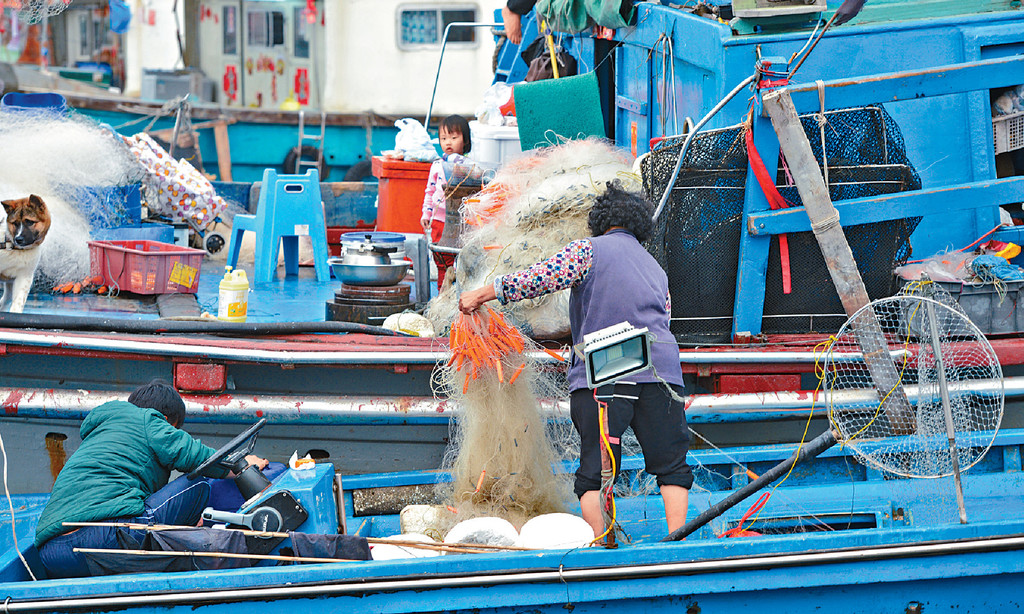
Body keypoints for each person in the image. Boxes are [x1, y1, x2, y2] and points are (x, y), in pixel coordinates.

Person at [458, 182, 692, 537]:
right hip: (663, 374)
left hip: (607, 373)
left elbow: (539, 278)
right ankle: (677, 542)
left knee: (595, 473)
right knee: (672, 466)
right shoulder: (655, 268)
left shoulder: (587, 250)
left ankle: (600, 545)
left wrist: (483, 294)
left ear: (600, 221)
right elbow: (662, 317)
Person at [34, 379, 268, 578]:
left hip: (52, 554)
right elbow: (197, 456)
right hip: (104, 540)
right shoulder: (149, 420)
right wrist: (241, 465)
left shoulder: (103, 431)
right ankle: (185, 557)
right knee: (197, 484)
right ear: (164, 419)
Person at [421, 114, 471, 290]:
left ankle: (461, 292)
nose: (448, 142)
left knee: (461, 258)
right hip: (439, 220)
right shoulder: (436, 165)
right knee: (441, 257)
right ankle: (443, 292)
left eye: (454, 137)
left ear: (465, 140)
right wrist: (426, 213)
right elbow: (430, 191)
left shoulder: (469, 166)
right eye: (443, 138)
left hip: (461, 222)